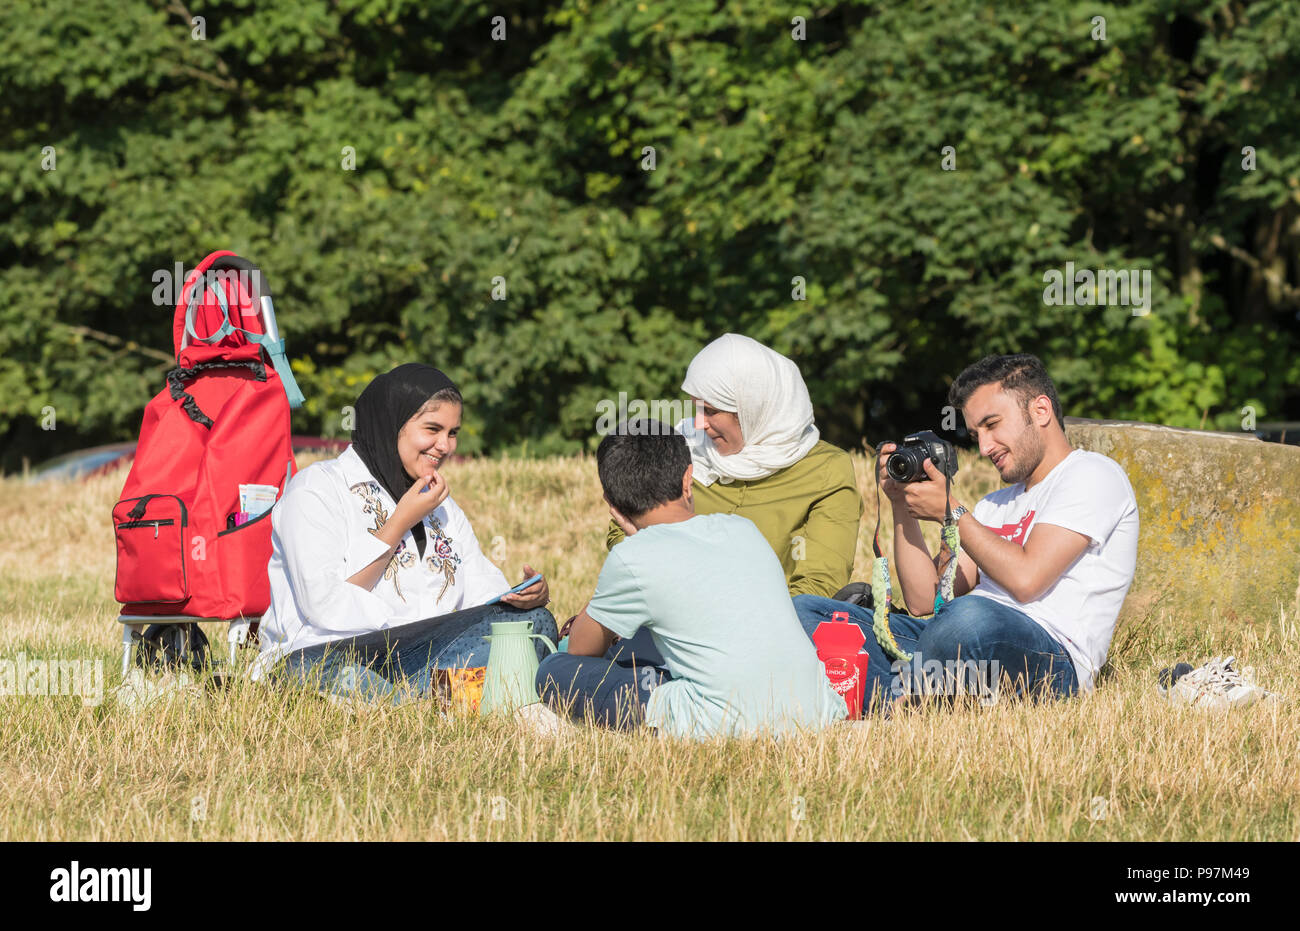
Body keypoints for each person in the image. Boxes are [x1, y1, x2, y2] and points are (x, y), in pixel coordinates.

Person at [794, 354, 1139, 706]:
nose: (985, 447)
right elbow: (924, 600)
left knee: (967, 619)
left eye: (992, 425)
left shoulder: (1094, 475)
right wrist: (902, 505)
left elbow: (1027, 580)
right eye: (976, 434)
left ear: (1040, 410)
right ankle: (918, 697)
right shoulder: (994, 504)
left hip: (1050, 659)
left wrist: (952, 511)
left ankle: (896, 695)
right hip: (952, 647)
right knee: (807, 613)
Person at [250, 363, 557, 703]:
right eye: (433, 429)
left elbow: (481, 592)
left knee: (534, 623)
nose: (445, 446)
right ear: (392, 423)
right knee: (335, 672)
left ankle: (436, 700)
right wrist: (399, 523)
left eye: (453, 432)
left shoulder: (441, 505)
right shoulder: (316, 489)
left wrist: (520, 599)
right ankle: (458, 699)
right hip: (327, 653)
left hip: (421, 660)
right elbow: (323, 607)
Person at [537, 420, 847, 738]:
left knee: (554, 670)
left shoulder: (633, 557)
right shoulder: (742, 529)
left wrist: (633, 549)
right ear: (689, 480)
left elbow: (580, 650)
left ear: (612, 504)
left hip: (723, 725)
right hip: (813, 711)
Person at [605, 334, 861, 599]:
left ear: (753, 409)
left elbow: (818, 585)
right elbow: (623, 527)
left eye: (711, 411)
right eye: (696, 409)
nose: (698, 424)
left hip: (773, 629)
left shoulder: (826, 470)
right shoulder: (682, 448)